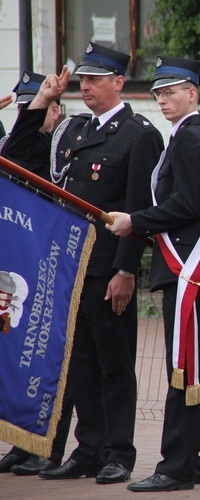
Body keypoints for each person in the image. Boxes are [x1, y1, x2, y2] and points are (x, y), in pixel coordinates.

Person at [3, 42, 164, 484]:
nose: (85, 86)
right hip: (70, 271)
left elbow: (137, 209)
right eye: (83, 79)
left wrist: (126, 272)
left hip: (108, 269)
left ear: (118, 82)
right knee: (79, 364)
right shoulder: (72, 130)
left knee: (114, 365)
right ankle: (88, 448)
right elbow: (18, 158)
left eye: (95, 79)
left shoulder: (139, 135)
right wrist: (41, 102)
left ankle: (119, 452)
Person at [107, 55, 200, 493]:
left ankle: (177, 466)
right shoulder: (190, 138)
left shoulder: (191, 140)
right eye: (158, 92)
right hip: (194, 265)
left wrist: (136, 221)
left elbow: (192, 207)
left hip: (189, 269)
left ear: (192, 94)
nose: (162, 99)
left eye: (171, 91)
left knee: (184, 366)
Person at [0, 70, 74, 477]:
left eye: (41, 105)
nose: (33, 111)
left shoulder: (68, 145)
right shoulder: (26, 145)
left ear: (58, 109)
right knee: (22, 354)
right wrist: (36, 104)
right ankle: (23, 442)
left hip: (56, 263)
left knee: (54, 358)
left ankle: (51, 446)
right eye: (27, 106)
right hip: (25, 262)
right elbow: (11, 156)